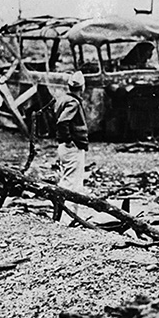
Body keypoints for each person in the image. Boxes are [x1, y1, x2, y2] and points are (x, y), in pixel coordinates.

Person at [53, 71, 90, 220]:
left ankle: (61, 215)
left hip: (65, 147)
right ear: (83, 87)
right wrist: (68, 140)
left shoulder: (63, 99)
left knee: (66, 180)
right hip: (72, 147)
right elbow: (62, 122)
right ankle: (68, 218)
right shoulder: (73, 103)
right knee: (72, 184)